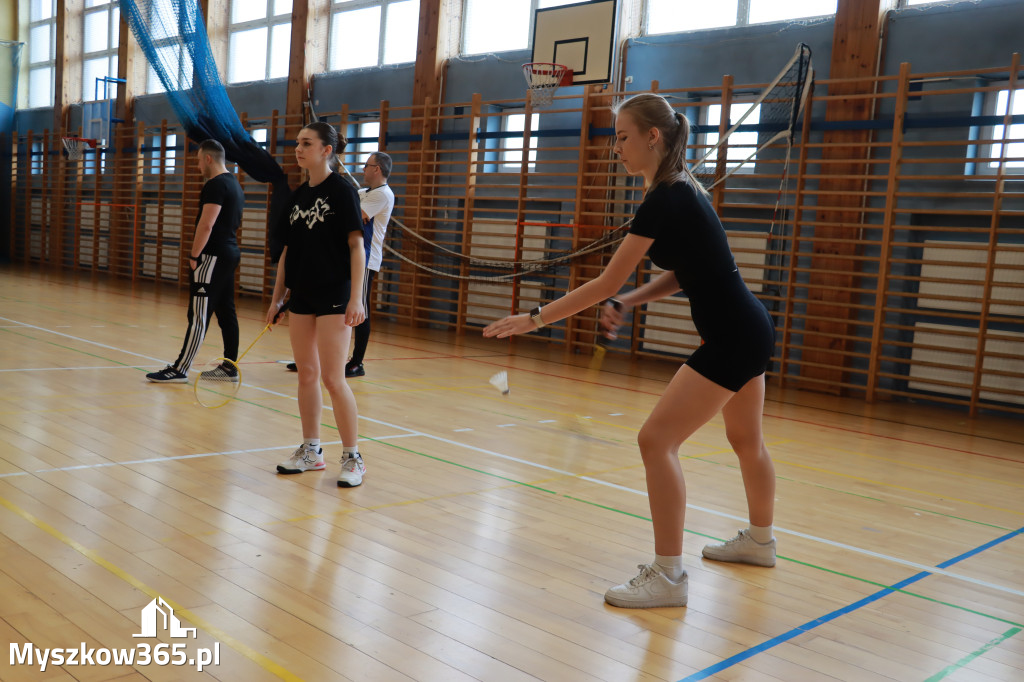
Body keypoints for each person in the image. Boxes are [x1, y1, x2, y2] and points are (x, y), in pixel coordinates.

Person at [483, 93, 777, 609]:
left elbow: (604, 282)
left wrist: (534, 319)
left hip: (733, 335)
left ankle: (668, 577)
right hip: (747, 327)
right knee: (745, 440)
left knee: (654, 441)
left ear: (652, 137)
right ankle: (760, 541)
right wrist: (634, 299)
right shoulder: (680, 188)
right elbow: (690, 271)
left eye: (621, 135)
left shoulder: (666, 196)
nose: (614, 146)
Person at [266, 121, 368, 487]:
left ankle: (353, 457)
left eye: (306, 143)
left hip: (335, 294)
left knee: (332, 378)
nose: (298, 149)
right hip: (302, 296)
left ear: (327, 150)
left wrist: (357, 298)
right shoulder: (297, 197)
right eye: (297, 143)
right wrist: (278, 296)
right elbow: (288, 252)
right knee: (306, 374)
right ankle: (311, 450)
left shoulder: (341, 192)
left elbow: (357, 246)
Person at [286, 151, 395, 377]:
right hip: (342, 259)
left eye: (367, 165)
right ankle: (311, 356)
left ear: (377, 169)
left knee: (359, 308)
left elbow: (356, 217)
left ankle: (357, 362)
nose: (363, 169)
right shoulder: (362, 192)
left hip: (364, 258)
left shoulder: (383, 194)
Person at [147, 139, 243, 384]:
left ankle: (180, 368)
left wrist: (193, 255)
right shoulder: (234, 183)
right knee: (226, 312)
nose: (199, 165)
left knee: (198, 314)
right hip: (229, 253)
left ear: (209, 159)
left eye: (199, 160)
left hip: (211, 256)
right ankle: (230, 367)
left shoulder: (215, 185)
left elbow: (207, 224)